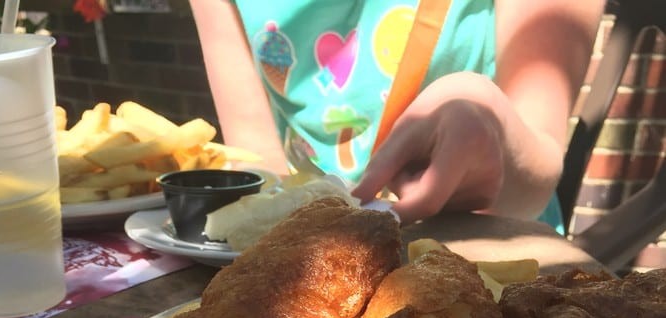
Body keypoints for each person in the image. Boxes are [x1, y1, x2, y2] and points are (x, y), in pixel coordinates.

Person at [187, 0, 605, 231]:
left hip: (497, 243)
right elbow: (258, 165)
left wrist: (491, 122)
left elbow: (537, 177)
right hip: (315, 256)